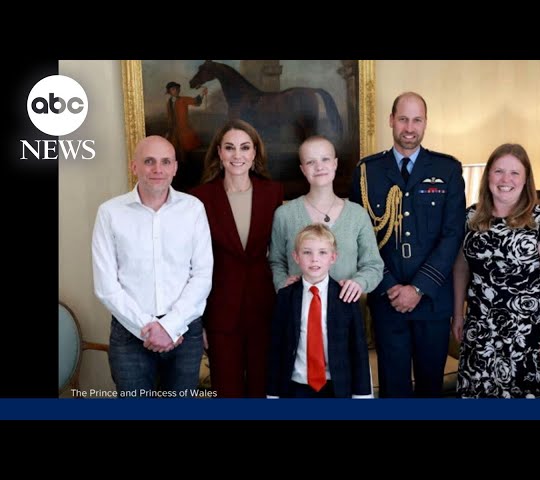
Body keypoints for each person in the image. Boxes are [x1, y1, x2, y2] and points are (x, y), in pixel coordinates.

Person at [350, 92, 466, 397]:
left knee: (431, 387)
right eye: (403, 119)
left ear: (426, 123)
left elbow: (453, 235)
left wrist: (418, 288)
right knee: (393, 386)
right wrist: (390, 286)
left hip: (432, 301)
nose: (409, 127)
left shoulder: (447, 170)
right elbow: (361, 236)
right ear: (391, 120)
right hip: (387, 300)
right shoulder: (367, 172)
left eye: (417, 120)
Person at [92, 135, 213, 397]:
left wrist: (170, 326)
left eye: (165, 162)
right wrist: (149, 328)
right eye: (149, 161)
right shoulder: (110, 213)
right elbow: (106, 286)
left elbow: (202, 275)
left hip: (184, 332)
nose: (158, 169)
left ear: (175, 168)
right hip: (129, 333)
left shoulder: (193, 209)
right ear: (134, 166)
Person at [451, 143, 540, 398]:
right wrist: (458, 315)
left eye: (515, 173)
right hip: (480, 333)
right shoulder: (470, 217)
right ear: (488, 176)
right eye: (498, 171)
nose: (506, 180)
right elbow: (461, 267)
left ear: (526, 178)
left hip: (528, 336)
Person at [190, 119, 284, 398]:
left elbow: (279, 252)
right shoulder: (199, 198)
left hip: (265, 307)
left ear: (255, 152)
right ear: (219, 152)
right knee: (227, 390)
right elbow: (193, 264)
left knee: (263, 388)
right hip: (220, 311)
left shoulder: (273, 193)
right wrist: (200, 321)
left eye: (245, 147)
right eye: (229, 148)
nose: (237, 155)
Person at [269, 135, 383, 303]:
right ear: (303, 169)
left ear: (335, 164)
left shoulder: (357, 215)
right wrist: (282, 283)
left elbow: (373, 265)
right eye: (310, 162)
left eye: (325, 159)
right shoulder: (284, 215)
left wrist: (360, 282)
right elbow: (276, 261)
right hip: (298, 309)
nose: (319, 167)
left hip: (345, 310)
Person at [267, 224, 373, 398]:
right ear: (296, 257)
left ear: (333, 257)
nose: (314, 259)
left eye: (322, 252)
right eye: (307, 252)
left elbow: (358, 349)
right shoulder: (285, 297)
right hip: (296, 386)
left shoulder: (345, 297)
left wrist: (362, 394)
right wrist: (272, 393)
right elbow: (276, 348)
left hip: (337, 387)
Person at [165, 81, 208, 158]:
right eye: (173, 89)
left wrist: (202, 94)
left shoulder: (183, 99)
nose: (176, 90)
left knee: (187, 148)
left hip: (184, 128)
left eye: (177, 89)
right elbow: (169, 117)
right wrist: (169, 129)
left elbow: (196, 101)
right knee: (172, 149)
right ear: (169, 92)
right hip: (173, 130)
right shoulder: (169, 103)